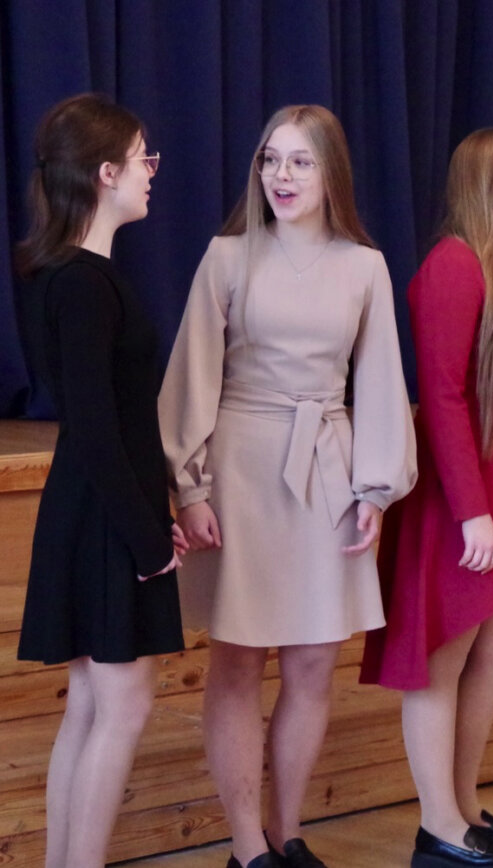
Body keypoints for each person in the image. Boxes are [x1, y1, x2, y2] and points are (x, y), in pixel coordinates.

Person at [158, 105, 416, 868]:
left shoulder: (364, 266)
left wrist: (374, 490)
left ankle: (286, 832)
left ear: (331, 170)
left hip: (327, 471)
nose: (281, 175)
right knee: (238, 661)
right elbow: (191, 375)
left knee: (312, 664)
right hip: (241, 470)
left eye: (300, 161)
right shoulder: (227, 256)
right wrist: (190, 488)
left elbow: (381, 379)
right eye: (271, 159)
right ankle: (246, 847)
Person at [359, 127, 493, 868]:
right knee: (445, 662)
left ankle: (465, 806)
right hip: (461, 497)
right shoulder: (452, 265)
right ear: (489, 180)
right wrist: (473, 510)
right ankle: (438, 826)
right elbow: (441, 397)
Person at [13, 92, 184, 868]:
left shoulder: (78, 276)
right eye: (144, 158)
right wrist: (147, 541)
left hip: (101, 512)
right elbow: (95, 429)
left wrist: (158, 515)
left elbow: (116, 425)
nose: (153, 171)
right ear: (106, 173)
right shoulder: (82, 283)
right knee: (120, 706)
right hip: (105, 520)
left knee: (90, 706)